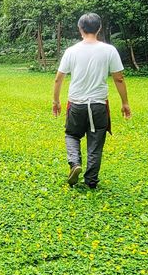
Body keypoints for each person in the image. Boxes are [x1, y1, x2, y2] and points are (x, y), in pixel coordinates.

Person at [52, 13, 132, 188]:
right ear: (99, 28)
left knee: (72, 135)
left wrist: (56, 100)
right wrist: (125, 103)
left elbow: (59, 78)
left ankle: (75, 163)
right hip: (98, 105)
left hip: (76, 104)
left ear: (80, 29)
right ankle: (91, 181)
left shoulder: (71, 51)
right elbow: (119, 78)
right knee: (95, 141)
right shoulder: (109, 50)